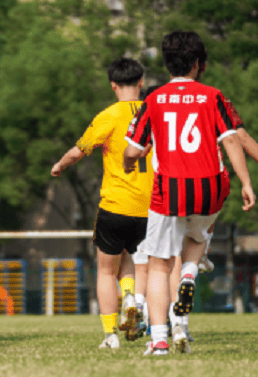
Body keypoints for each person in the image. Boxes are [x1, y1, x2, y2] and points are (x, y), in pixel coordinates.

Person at [124, 30, 256, 355]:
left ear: (167, 64)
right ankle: (188, 277)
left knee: (157, 264)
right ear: (199, 64)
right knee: (196, 241)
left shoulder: (153, 100)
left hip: (170, 190)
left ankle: (158, 340)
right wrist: (247, 182)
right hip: (211, 188)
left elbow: (132, 150)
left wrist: (130, 163)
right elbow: (231, 139)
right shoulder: (213, 96)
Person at [51, 57, 154, 349]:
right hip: (148, 207)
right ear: (141, 82)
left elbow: (79, 151)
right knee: (130, 260)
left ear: (113, 86)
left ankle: (110, 335)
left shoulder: (109, 115)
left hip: (115, 203)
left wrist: (59, 165)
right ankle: (131, 297)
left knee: (106, 270)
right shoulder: (153, 113)